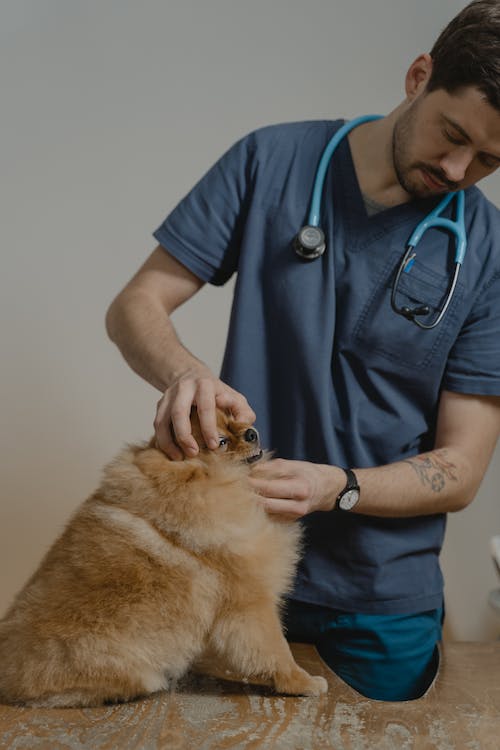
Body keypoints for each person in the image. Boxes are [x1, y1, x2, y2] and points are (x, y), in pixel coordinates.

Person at [105, 0, 500, 701]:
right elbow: (136, 304)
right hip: (228, 560)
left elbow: (463, 468)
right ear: (419, 76)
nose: (457, 167)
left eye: (489, 160)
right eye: (452, 134)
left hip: (381, 594)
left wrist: (338, 487)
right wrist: (185, 374)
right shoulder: (271, 161)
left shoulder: (488, 253)